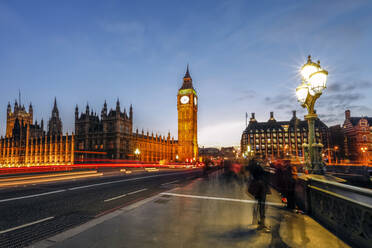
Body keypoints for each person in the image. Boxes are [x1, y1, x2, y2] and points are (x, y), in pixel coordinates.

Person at [247, 157, 270, 232]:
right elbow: (266, 173)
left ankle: (255, 221)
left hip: (256, 186)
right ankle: (262, 224)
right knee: (262, 205)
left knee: (257, 203)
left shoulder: (252, 166)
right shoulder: (258, 167)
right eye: (259, 158)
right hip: (261, 186)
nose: (261, 160)